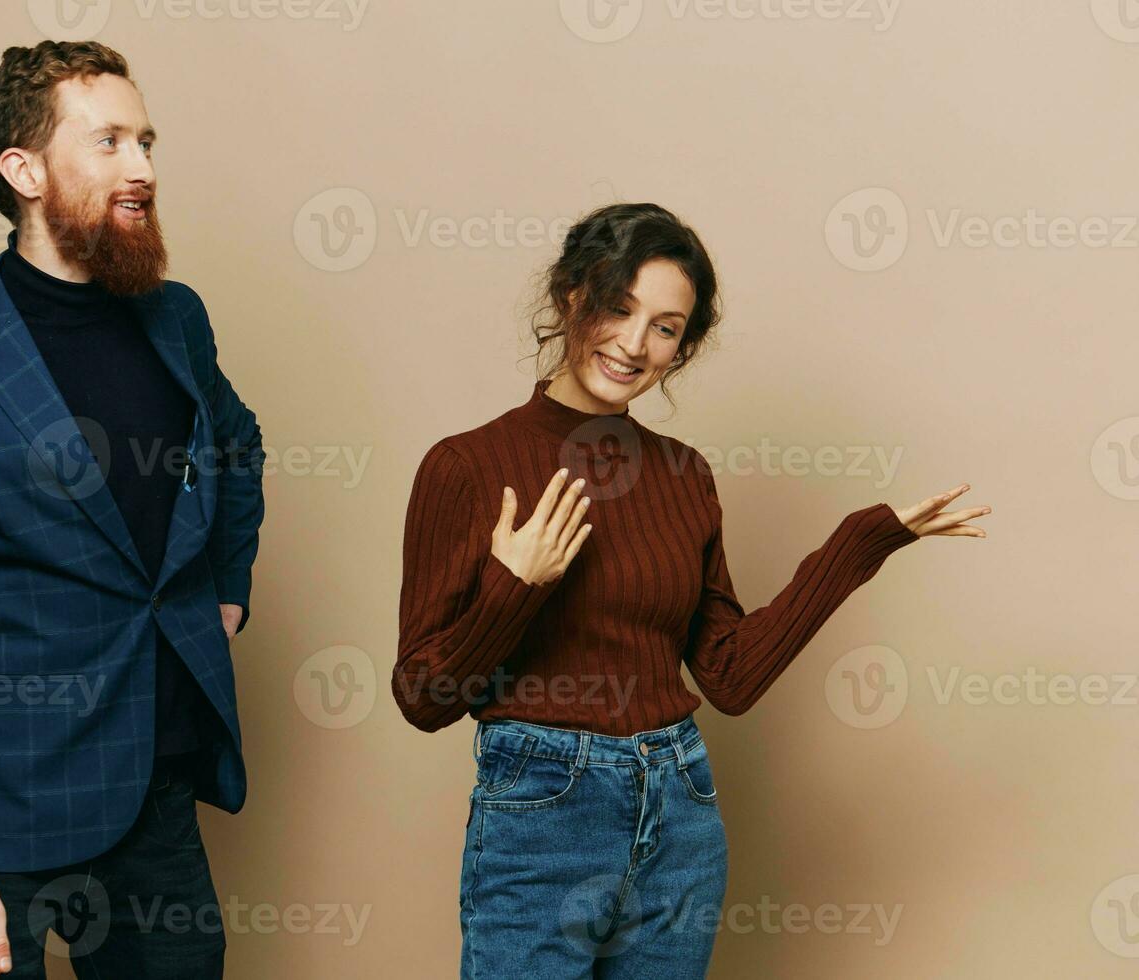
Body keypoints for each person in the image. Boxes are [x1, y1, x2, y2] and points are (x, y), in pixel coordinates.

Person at [393, 202, 990, 979]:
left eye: (666, 327)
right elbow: (422, 696)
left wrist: (859, 545)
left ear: (683, 346)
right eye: (617, 307)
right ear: (572, 297)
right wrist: (515, 586)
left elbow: (730, 677)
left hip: (679, 809)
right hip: (544, 810)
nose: (634, 344)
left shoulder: (681, 474)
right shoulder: (466, 466)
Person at [0, 40, 264, 979]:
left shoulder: (177, 318)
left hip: (156, 792)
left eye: (147, 140)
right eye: (111, 141)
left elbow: (236, 446)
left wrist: (227, 583)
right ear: (24, 169)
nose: (145, 168)